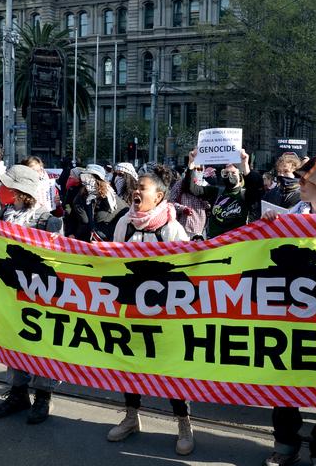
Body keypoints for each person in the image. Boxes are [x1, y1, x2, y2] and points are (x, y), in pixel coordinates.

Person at [262, 153, 316, 466]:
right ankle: (285, 444)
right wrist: (269, 227)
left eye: (305, 179)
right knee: (284, 378)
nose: (299, 183)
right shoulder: (291, 214)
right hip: (292, 315)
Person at [107, 165, 194, 456]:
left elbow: (186, 272)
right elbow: (112, 260)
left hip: (165, 317)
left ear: (158, 197)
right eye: (136, 187)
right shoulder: (124, 223)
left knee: (171, 372)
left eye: (143, 188)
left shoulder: (172, 228)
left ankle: (184, 424)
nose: (136, 191)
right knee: (130, 366)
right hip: (130, 311)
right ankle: (132, 418)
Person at [0, 164, 63, 424]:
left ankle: (43, 395)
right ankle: (18, 393)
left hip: (39, 295)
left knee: (41, 344)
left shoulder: (47, 220)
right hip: (11, 291)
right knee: (14, 340)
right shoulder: (5, 213)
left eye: (9, 185)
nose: (4, 189)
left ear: (21, 191)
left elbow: (56, 261)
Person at [186, 148, 262, 238]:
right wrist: (191, 164)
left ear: (240, 176)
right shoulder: (216, 191)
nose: (229, 176)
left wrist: (245, 167)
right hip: (215, 243)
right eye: (226, 173)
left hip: (234, 244)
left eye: (233, 173)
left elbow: (256, 186)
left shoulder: (245, 194)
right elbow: (192, 188)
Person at [169, 167, 210, 239]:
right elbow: (170, 202)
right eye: (194, 169)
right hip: (182, 225)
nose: (196, 171)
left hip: (199, 227)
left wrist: (201, 196)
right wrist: (182, 208)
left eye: (199, 169)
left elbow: (209, 206)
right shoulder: (180, 184)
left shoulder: (205, 185)